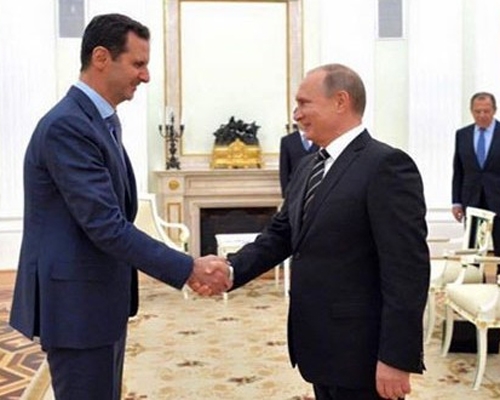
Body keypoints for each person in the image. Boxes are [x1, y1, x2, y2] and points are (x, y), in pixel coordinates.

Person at [9, 13, 230, 400]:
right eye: (138, 63)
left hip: (97, 303)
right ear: (101, 58)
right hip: (76, 308)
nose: (146, 76)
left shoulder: (98, 121)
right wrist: (188, 267)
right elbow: (106, 224)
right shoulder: (68, 126)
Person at [225, 64, 430, 400]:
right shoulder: (308, 166)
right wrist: (231, 269)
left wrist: (396, 357)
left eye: (304, 103)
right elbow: (281, 234)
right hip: (319, 348)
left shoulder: (387, 166)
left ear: (340, 101)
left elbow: (407, 270)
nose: (296, 114)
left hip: (363, 354)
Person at [452, 92, 500, 274]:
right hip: (472, 199)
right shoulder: (462, 135)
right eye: (477, 111)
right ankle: (474, 280)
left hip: (498, 198)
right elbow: (458, 170)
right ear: (471, 111)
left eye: (486, 111)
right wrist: (456, 201)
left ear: (494, 110)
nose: (482, 115)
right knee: (474, 249)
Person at [279, 111, 319, 197]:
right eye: (300, 118)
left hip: (316, 186)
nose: (304, 121)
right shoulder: (287, 140)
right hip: (295, 187)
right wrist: (285, 193)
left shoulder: (320, 137)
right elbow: (284, 169)